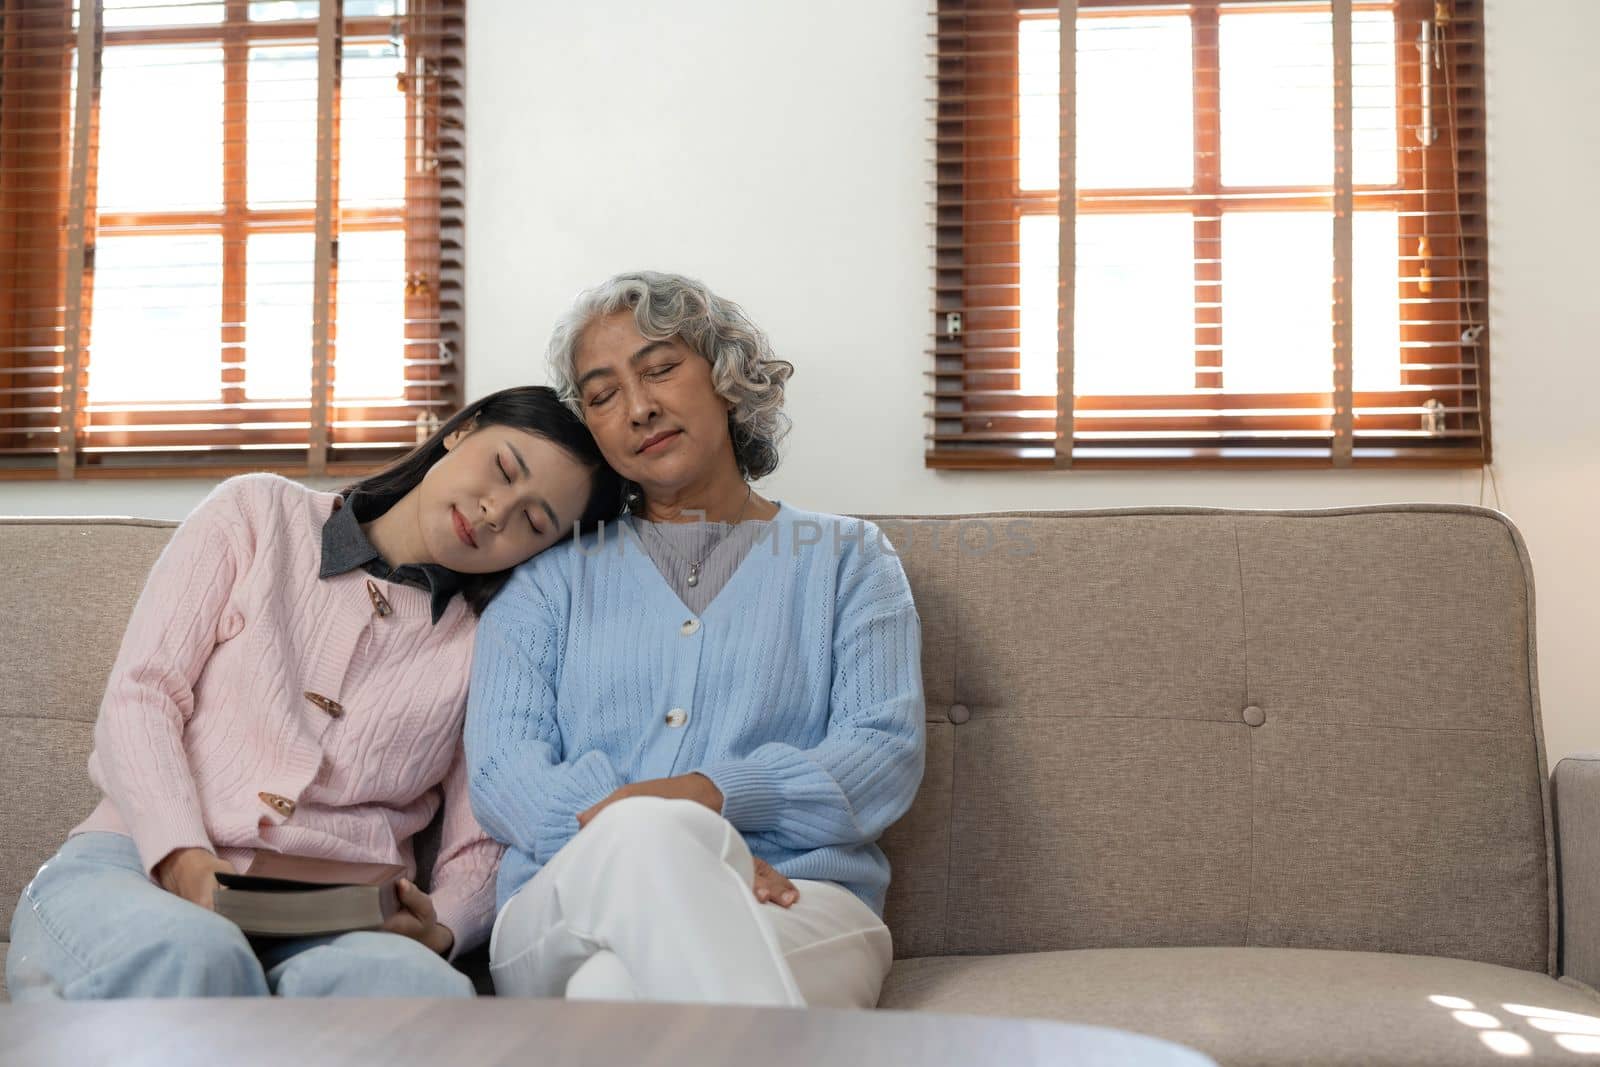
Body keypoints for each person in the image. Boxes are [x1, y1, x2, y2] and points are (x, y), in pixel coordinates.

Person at [7, 386, 622, 1000]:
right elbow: (142, 696)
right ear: (461, 431)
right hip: (138, 864)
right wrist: (185, 859)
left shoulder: (488, 642)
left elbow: (481, 840)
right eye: (503, 469)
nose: (496, 513)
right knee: (196, 958)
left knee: (413, 989)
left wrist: (440, 927)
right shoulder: (256, 512)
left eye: (534, 521)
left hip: (337, 917)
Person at [468, 272, 925, 1009]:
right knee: (645, 839)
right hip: (565, 896)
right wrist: (682, 833)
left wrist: (709, 794)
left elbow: (881, 754)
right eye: (604, 393)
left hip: (797, 902)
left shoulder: (849, 560)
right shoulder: (546, 581)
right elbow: (503, 772)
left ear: (726, 376)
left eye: (660, 368)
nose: (640, 406)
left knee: (611, 996)